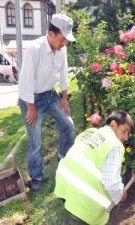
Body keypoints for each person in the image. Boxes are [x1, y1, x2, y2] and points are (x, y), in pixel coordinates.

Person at [18, 14, 76, 191]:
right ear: (51, 34)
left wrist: (64, 98)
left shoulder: (62, 49)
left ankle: (63, 158)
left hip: (50, 95)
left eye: (67, 40)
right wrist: (31, 108)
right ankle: (36, 177)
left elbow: (63, 75)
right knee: (36, 141)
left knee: (69, 126)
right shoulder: (34, 49)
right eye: (62, 39)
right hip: (31, 100)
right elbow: (25, 81)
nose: (64, 43)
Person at [54, 110, 134, 225]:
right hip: (82, 197)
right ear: (113, 124)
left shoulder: (90, 132)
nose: (126, 138)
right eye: (124, 131)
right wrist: (119, 193)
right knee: (81, 218)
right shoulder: (115, 145)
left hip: (65, 183)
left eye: (128, 133)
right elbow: (110, 181)